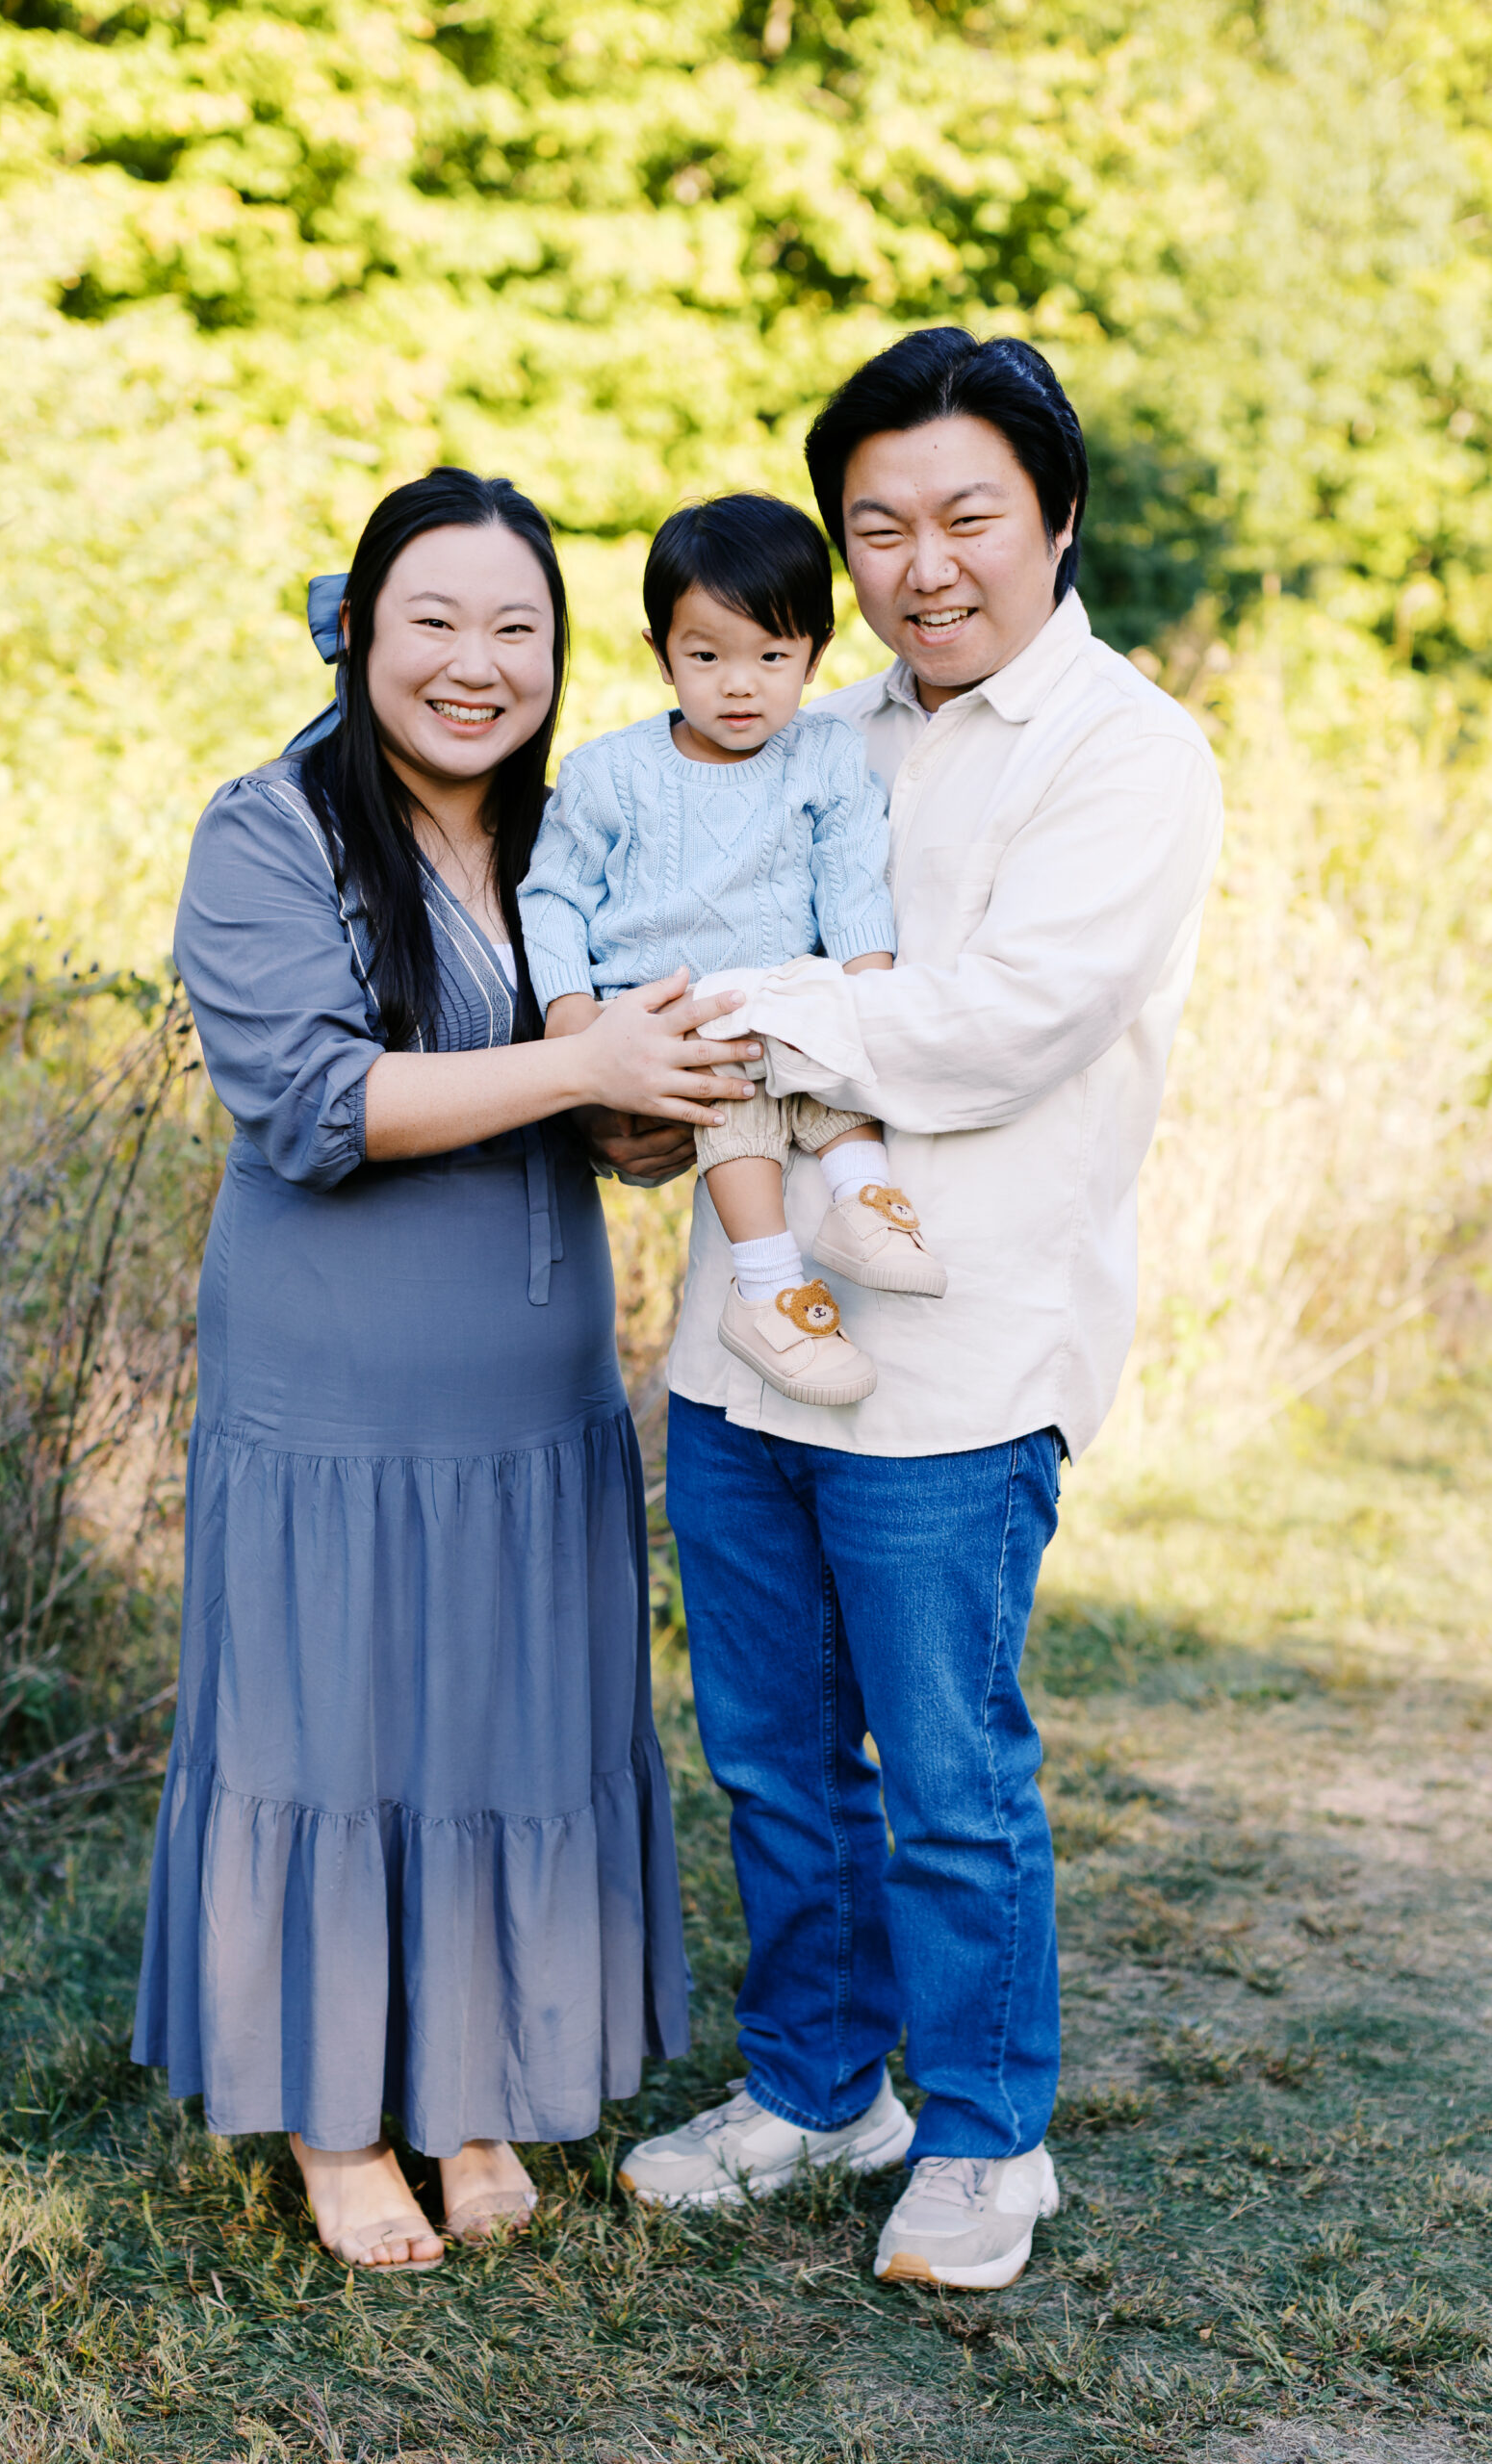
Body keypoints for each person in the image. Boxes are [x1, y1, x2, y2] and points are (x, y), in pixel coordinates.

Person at [616, 331, 1223, 2292]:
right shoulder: (812, 730)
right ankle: (815, 2086)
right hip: (741, 1329)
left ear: (1053, 516)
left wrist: (730, 1015)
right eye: (875, 523)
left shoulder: (1125, 752)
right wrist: (642, 1056)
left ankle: (980, 2133)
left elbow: (998, 1021)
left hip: (960, 1367)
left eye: (966, 513)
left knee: (949, 1772)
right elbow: (667, 928)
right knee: (777, 1753)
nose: (921, 561)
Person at [132, 467, 762, 2272]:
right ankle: (338, 2128)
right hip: (336, 1398)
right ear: (362, 631)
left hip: (536, 1387)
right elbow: (318, 1102)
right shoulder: (269, 830)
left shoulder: (570, 829)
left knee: (501, 1723)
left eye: (518, 630)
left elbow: (582, 1088)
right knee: (335, 1731)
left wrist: (644, 1114)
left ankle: (474, 2091)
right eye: (437, 621)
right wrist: (582, 1076)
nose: (476, 665)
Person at [519, 494, 946, 1412]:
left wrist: (866, 1001)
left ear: (816, 655)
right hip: (668, 1006)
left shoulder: (825, 756)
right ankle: (767, 1292)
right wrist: (572, 1015)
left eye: (772, 656)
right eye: (706, 657)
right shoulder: (609, 773)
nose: (739, 684)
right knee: (736, 1106)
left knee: (825, 1060)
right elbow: (553, 896)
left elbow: (849, 878)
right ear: (660, 654)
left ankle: (865, 1200)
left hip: (786, 993)